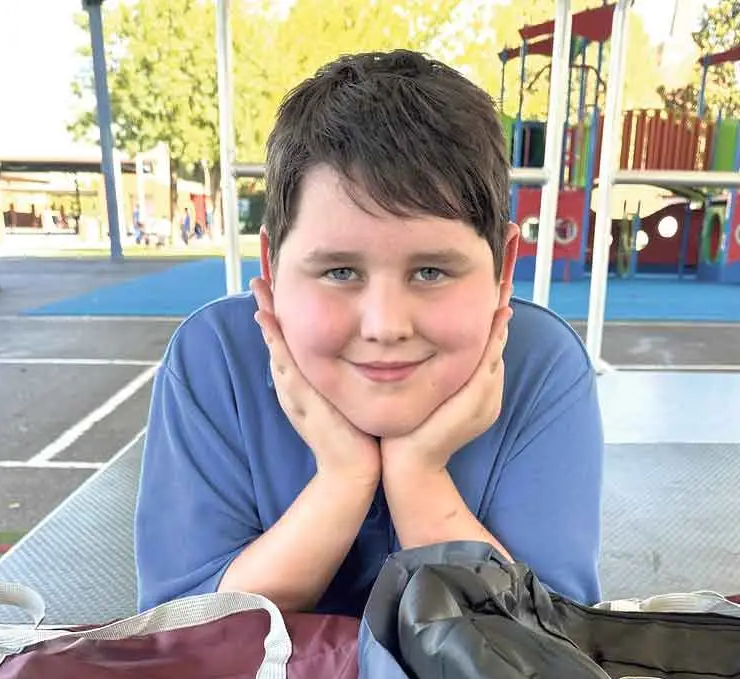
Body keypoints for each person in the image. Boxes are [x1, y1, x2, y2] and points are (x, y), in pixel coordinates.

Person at [135, 49, 603, 617]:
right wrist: (343, 479)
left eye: (430, 272)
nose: (385, 326)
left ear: (503, 270)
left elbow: (555, 648)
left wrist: (418, 476)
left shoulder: (540, 366)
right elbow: (178, 635)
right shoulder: (216, 360)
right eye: (339, 272)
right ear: (272, 264)